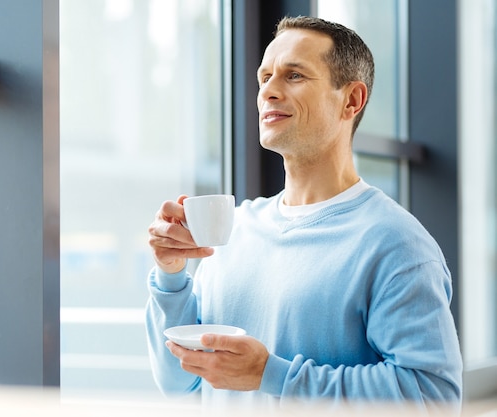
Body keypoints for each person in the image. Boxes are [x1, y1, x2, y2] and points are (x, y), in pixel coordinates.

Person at [145, 15, 463, 411]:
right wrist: (171, 275)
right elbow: (181, 385)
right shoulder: (236, 230)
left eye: (293, 76)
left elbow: (433, 398)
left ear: (351, 100)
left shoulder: (397, 243)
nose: (268, 92)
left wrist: (271, 375)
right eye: (265, 77)